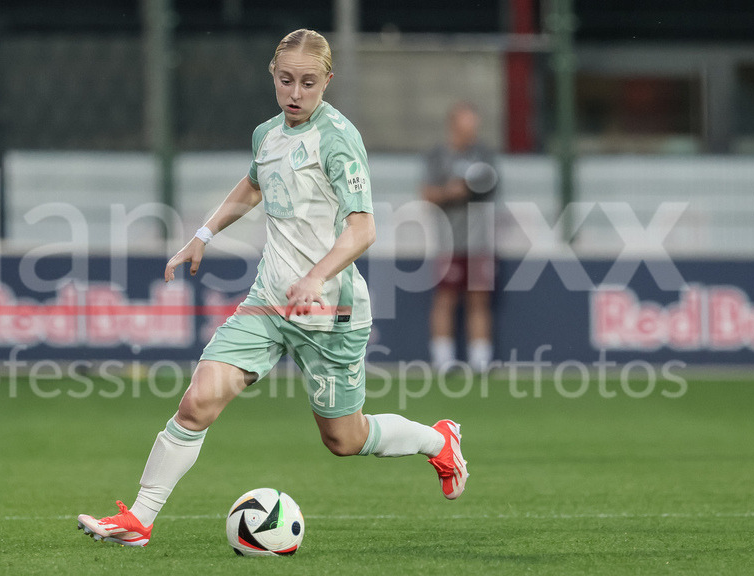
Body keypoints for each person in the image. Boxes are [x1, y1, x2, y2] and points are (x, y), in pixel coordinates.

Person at [77, 29, 468, 547]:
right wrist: (202, 235)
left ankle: (438, 440)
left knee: (343, 440)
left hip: (331, 314)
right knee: (196, 404)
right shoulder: (268, 134)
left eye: (309, 82)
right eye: (286, 80)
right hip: (268, 304)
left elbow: (363, 229)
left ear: (328, 80)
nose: (296, 93)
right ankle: (140, 520)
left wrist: (315, 276)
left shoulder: (338, 139)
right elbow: (255, 184)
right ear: (273, 76)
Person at [421, 101, 498, 373]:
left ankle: (481, 360)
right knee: (446, 298)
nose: (471, 132)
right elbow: (427, 194)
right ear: (453, 126)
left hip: (479, 243)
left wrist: (464, 189)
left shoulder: (484, 155)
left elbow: (490, 184)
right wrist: (449, 193)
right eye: (466, 126)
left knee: (479, 299)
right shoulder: (439, 156)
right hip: (449, 242)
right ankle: (443, 360)